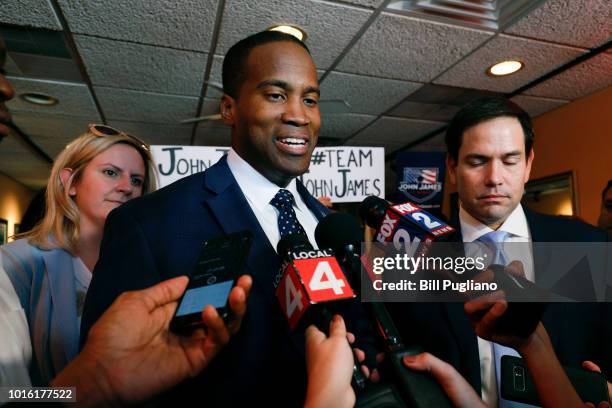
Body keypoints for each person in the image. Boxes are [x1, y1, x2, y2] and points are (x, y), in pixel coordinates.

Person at [81, 30, 376, 406]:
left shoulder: (332, 225)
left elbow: (359, 327)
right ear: (228, 109)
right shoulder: (146, 223)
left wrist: (358, 362)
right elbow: (98, 386)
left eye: (311, 99)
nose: (300, 115)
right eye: (276, 95)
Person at [388, 97, 610, 406]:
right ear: (452, 167)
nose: (494, 178)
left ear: (528, 164)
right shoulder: (406, 262)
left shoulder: (590, 246)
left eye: (510, 160)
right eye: (477, 161)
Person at [0, 124, 157, 386]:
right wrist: (75, 397)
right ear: (70, 182)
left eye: (136, 180)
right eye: (111, 172)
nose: (126, 187)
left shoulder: (142, 269)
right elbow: (9, 395)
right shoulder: (14, 265)